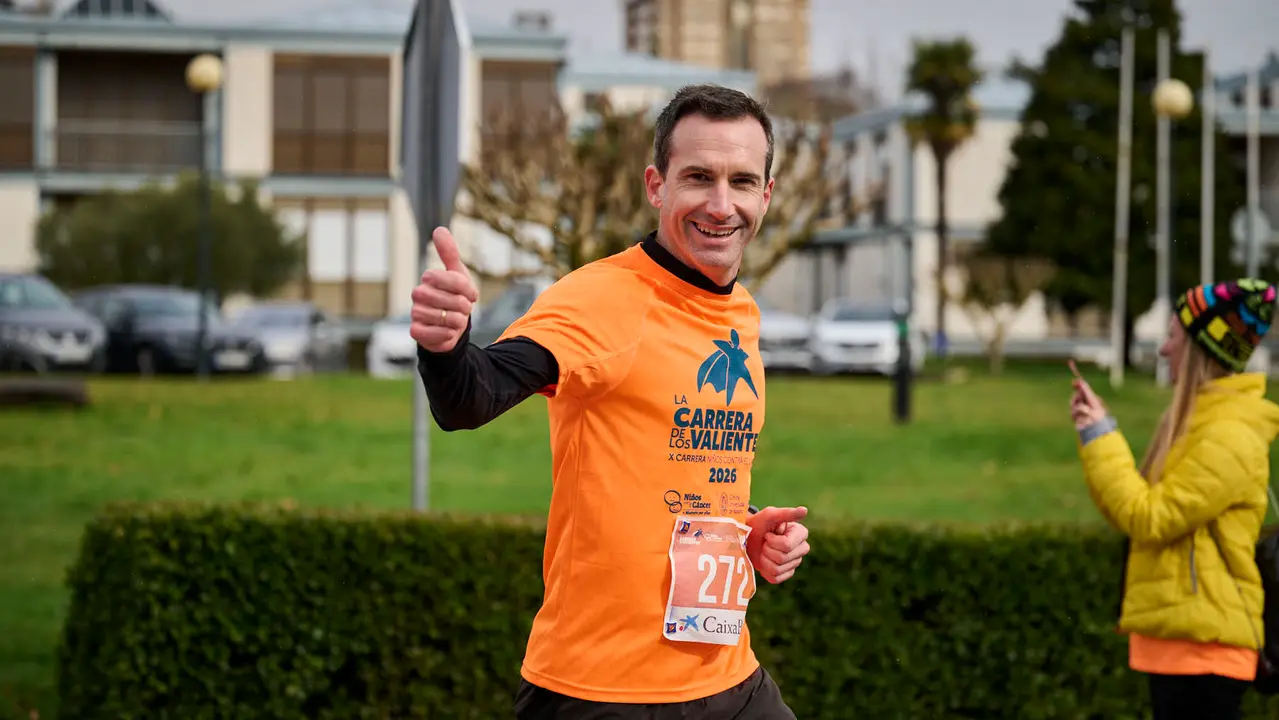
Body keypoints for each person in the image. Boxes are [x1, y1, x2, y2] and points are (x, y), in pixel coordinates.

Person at [410, 84, 811, 719]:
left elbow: (678, 466)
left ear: (765, 194)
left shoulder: (740, 314)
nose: (720, 203)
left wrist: (747, 530)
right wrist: (445, 344)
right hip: (601, 693)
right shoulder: (600, 300)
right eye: (698, 177)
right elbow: (470, 399)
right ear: (657, 186)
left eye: (741, 181)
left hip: (729, 677)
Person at [1071, 279, 1279, 720]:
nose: (1164, 350)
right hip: (1181, 644)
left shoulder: (1230, 436)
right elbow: (1132, 515)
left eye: (1173, 337)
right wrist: (1097, 433)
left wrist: (1101, 436)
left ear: (1202, 350)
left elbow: (1151, 517)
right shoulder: (1196, 426)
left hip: (1205, 651)